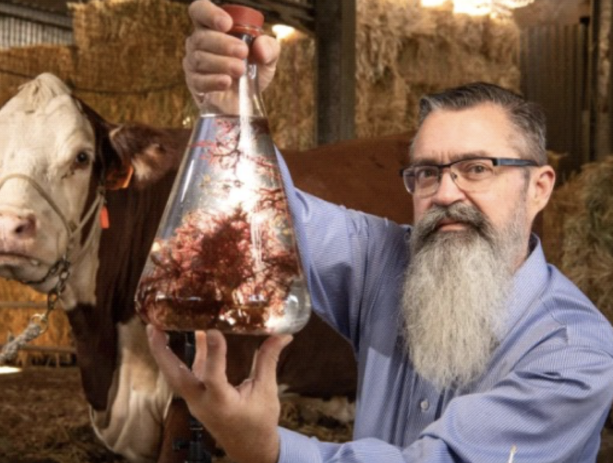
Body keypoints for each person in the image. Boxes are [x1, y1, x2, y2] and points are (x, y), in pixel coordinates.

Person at [147, 1, 613, 462]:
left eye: (476, 168)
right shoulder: (387, 260)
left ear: (540, 187)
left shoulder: (576, 356)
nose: (445, 193)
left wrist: (265, 448)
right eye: (427, 172)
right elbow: (265, 218)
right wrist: (235, 108)